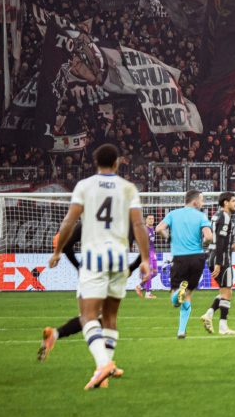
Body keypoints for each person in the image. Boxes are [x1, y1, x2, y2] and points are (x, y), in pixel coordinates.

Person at [47, 143, 150, 390]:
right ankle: (104, 370)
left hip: (95, 257)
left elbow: (69, 221)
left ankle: (103, 363)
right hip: (119, 258)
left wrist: (58, 250)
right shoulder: (128, 188)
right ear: (117, 163)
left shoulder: (85, 186)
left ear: (96, 162)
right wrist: (146, 259)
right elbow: (138, 226)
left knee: (88, 316)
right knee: (111, 317)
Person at [155, 189, 213, 339]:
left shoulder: (173, 214)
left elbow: (159, 228)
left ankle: (177, 295)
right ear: (195, 201)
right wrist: (204, 243)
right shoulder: (201, 216)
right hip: (197, 258)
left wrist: (169, 238)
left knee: (176, 300)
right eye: (201, 200)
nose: (203, 203)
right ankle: (181, 331)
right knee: (188, 295)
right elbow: (208, 237)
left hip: (180, 258)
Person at [201, 192, 235, 335]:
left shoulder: (217, 215)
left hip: (213, 256)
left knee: (225, 291)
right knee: (227, 292)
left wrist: (234, 246)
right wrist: (219, 263)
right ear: (225, 203)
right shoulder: (225, 217)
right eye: (233, 200)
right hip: (222, 259)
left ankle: (209, 314)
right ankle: (223, 327)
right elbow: (220, 241)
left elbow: (219, 239)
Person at [134, 214, 158, 299]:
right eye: (149, 218)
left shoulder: (153, 229)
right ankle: (148, 293)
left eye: (152, 219)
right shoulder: (144, 230)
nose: (151, 220)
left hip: (152, 252)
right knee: (150, 272)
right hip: (147, 253)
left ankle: (139, 286)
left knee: (155, 273)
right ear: (146, 220)